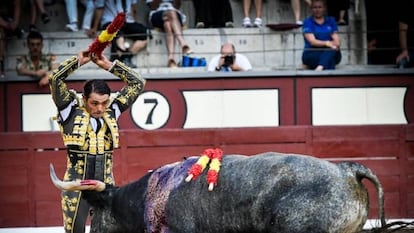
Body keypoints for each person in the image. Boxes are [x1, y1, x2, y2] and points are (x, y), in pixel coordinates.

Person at [49, 48, 146, 233]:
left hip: (105, 184)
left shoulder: (112, 111)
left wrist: (108, 65)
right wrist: (78, 61)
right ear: (84, 98)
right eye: (94, 103)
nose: (100, 108)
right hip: (76, 185)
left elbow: (138, 83)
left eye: (104, 103)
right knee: (75, 230)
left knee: (108, 229)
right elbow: (55, 79)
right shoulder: (69, 110)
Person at [90, 0, 151, 68]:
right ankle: (119, 59)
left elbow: (132, 7)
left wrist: (133, 22)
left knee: (146, 33)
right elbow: (99, 9)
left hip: (127, 21)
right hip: (110, 20)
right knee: (118, 34)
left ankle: (126, 57)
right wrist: (95, 27)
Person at [146, 0, 192, 68]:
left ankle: (171, 59)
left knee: (167, 24)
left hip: (174, 15)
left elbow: (177, 6)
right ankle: (183, 44)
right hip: (157, 14)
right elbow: (152, 6)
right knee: (171, 13)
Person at [301, 0, 341, 70]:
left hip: (331, 51)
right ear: (311, 9)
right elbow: (312, 42)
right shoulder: (308, 22)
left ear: (324, 8)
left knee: (331, 50)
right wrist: (327, 43)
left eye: (320, 7)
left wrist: (330, 45)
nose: (317, 10)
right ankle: (321, 67)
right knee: (330, 61)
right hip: (312, 53)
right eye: (315, 7)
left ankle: (319, 67)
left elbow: (337, 42)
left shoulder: (330, 21)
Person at [395, 0, 414, 68]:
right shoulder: (407, 7)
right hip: (412, 52)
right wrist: (404, 51)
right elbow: (402, 30)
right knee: (402, 62)